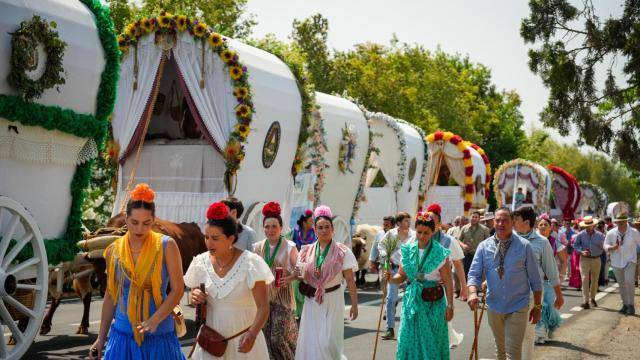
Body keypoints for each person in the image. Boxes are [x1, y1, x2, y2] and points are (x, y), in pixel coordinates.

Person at [90, 183, 185, 360]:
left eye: (146, 223)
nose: (140, 229)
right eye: (134, 222)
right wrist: (100, 339)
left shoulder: (166, 245)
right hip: (122, 335)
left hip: (159, 336)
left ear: (154, 220)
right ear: (126, 218)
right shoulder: (114, 250)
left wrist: (155, 319)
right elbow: (111, 295)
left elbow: (178, 289)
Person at [184, 201, 272, 359]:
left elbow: (263, 307)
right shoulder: (200, 263)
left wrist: (252, 335)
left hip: (244, 342)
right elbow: (194, 298)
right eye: (206, 237)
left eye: (215, 238)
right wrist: (196, 296)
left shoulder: (251, 264)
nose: (209, 243)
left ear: (231, 238)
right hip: (210, 341)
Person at [467, 207, 542, 360]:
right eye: (498, 220)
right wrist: (473, 293)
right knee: (500, 353)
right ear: (493, 222)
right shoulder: (484, 246)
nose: (501, 224)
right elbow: (474, 274)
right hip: (493, 306)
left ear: (512, 222)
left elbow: (535, 279)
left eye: (505, 220)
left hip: (518, 306)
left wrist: (537, 307)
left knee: (513, 353)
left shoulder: (524, 246)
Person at [384, 212, 454, 359]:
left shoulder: (439, 252)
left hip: (433, 302)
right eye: (419, 232)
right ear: (415, 230)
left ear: (432, 232)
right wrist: (391, 279)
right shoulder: (408, 249)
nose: (422, 236)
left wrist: (450, 306)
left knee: (432, 340)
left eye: (426, 233)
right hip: (412, 301)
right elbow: (402, 276)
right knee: (409, 339)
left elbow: (447, 280)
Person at [295, 205, 358, 359]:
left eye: (327, 227)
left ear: (332, 229)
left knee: (329, 342)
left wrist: (355, 305)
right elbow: (300, 274)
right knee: (311, 340)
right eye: (320, 227)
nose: (324, 230)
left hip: (333, 299)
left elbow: (349, 279)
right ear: (315, 231)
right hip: (312, 300)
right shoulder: (306, 251)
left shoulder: (342, 251)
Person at [512, 207, 563, 353]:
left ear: (526, 222)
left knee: (527, 337)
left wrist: (558, 294)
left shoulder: (542, 242)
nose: (513, 222)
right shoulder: (509, 239)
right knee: (510, 337)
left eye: (516, 219)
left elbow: (551, 270)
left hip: (531, 296)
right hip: (509, 296)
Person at [253, 202, 298, 359]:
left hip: (282, 297)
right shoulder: (257, 247)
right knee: (264, 338)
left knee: (277, 338)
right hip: (262, 298)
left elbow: (300, 271)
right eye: (267, 226)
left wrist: (290, 278)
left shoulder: (289, 247)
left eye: (274, 226)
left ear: (281, 228)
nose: (270, 230)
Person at [426, 203, 466, 348]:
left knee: (441, 324)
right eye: (427, 219)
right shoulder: (417, 237)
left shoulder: (448, 241)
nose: (430, 222)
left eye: (433, 219)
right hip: (420, 290)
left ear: (439, 221)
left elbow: (458, 264)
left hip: (441, 287)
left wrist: (464, 287)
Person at [377, 212, 416, 340]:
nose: (408, 223)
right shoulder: (391, 234)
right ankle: (390, 328)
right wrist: (384, 255)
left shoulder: (414, 235)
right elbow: (381, 245)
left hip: (409, 272)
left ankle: (409, 329)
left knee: (410, 299)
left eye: (409, 221)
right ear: (398, 223)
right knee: (391, 298)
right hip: (393, 270)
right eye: (405, 221)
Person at [604, 212, 640, 315]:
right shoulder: (611, 232)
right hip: (616, 261)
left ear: (626, 221)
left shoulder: (634, 232)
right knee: (621, 284)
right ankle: (625, 304)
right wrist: (611, 248)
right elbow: (605, 245)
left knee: (629, 281)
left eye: (621, 221)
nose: (619, 223)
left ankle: (631, 305)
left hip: (630, 260)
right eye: (618, 221)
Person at [573, 216, 605, 309]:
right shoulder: (580, 235)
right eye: (586, 225)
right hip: (584, 259)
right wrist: (581, 251)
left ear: (594, 225)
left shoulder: (600, 235)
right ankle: (586, 301)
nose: (588, 227)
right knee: (584, 279)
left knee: (595, 280)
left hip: (596, 259)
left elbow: (604, 246)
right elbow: (575, 245)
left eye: (590, 225)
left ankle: (593, 298)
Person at [458, 210, 491, 277]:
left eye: (476, 217)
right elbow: (458, 240)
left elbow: (489, 243)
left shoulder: (485, 229)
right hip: (467, 256)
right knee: (466, 274)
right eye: (473, 217)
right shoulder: (464, 228)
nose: (474, 219)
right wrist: (463, 245)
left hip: (479, 256)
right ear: (470, 217)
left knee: (478, 275)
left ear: (479, 219)